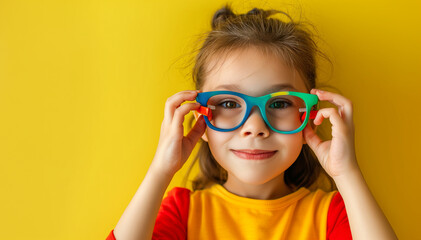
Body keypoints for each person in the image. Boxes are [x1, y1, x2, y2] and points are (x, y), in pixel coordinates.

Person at [106, 4, 397, 240]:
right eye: (230, 103)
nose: (255, 126)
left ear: (308, 114)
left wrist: (346, 173)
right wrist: (160, 171)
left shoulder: (329, 214)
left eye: (280, 103)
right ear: (199, 117)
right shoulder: (185, 212)